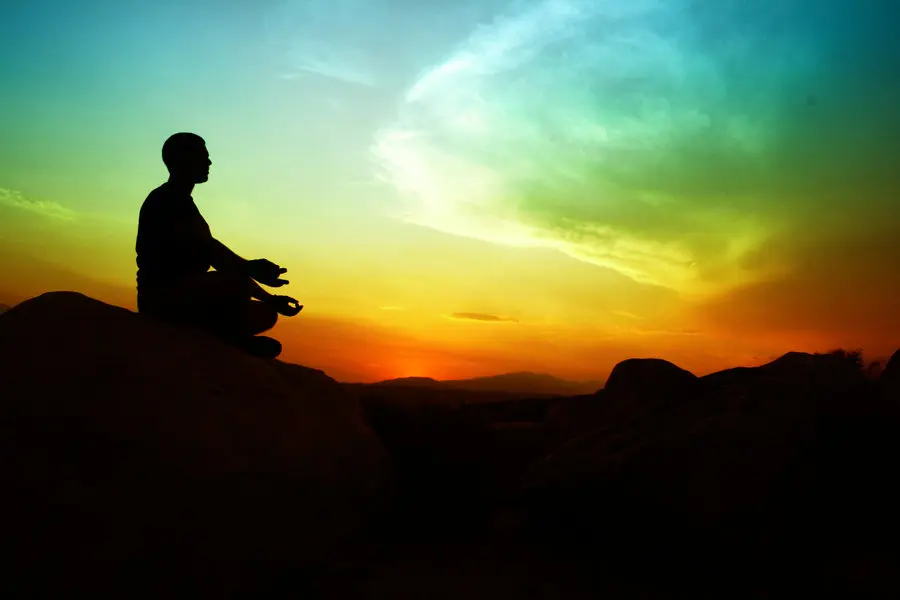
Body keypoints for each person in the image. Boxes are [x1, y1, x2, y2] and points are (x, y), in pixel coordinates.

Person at [135, 132, 302, 358]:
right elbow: (211, 252)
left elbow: (216, 255)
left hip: (188, 292)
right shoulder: (165, 200)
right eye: (203, 156)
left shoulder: (182, 203)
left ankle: (223, 336)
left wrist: (269, 298)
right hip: (163, 297)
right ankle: (226, 340)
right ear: (182, 159)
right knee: (237, 286)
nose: (209, 162)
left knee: (266, 313)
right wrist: (252, 268)